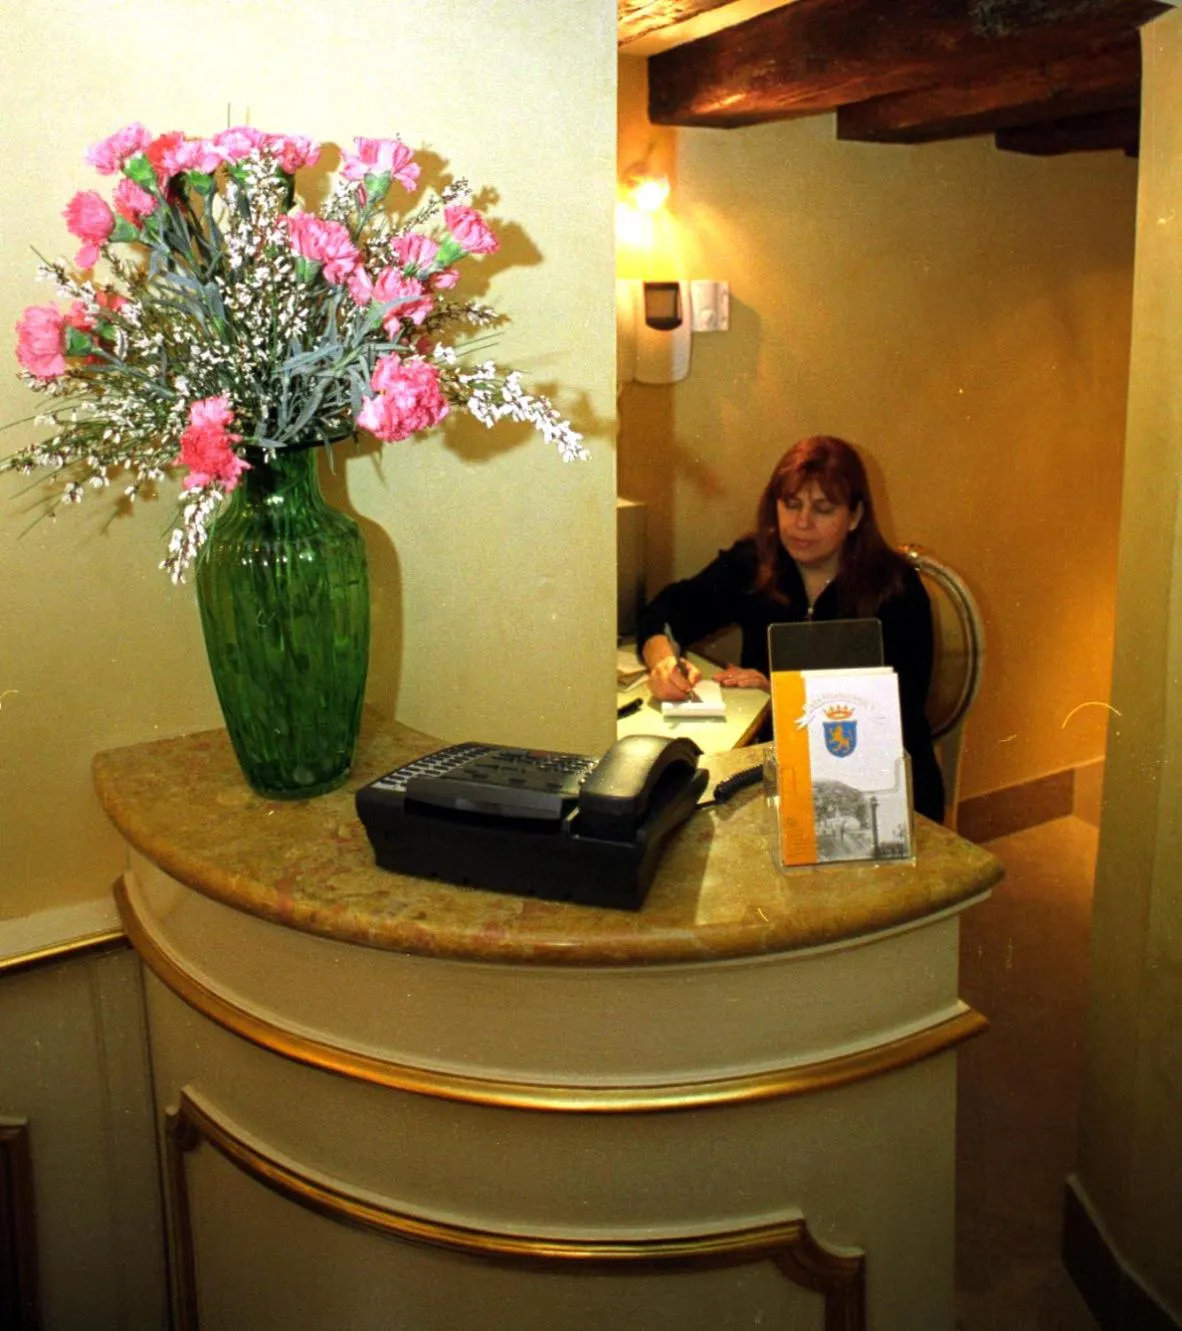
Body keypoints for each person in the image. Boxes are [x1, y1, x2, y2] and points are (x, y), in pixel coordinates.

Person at [636, 435, 945, 823]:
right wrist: (662, 659)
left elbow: (899, 710)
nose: (802, 524)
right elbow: (669, 609)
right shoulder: (756, 563)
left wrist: (780, 695)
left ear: (854, 516)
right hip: (781, 772)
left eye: (823, 509)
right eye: (791, 504)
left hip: (880, 786)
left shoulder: (896, 590)